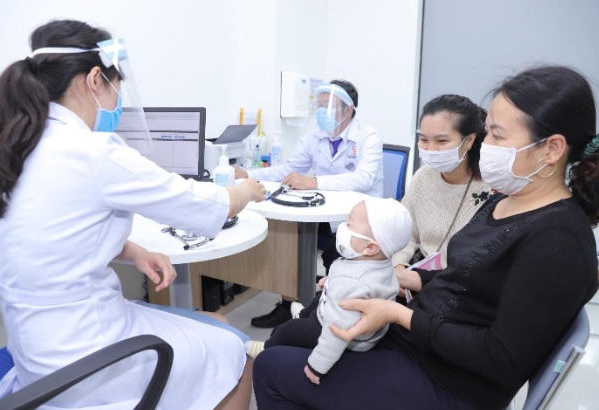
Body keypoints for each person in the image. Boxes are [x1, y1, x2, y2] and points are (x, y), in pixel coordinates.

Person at [252, 65, 599, 410]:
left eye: (497, 136)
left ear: (552, 149)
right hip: (423, 342)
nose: (486, 146)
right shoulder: (505, 201)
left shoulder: (558, 241)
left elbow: (500, 356)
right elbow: (466, 278)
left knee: (270, 368)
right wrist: (403, 277)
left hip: (450, 383)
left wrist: (397, 314)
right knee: (294, 336)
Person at [0, 20, 266, 409]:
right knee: (236, 351)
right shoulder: (91, 151)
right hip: (85, 362)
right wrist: (246, 190)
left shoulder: (18, 146)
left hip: (37, 354)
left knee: (216, 325)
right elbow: (203, 205)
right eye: (116, 86)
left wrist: (133, 251)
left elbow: (59, 238)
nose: (118, 99)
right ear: (94, 80)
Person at [236, 80, 384, 328]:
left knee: (336, 255)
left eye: (329, 106)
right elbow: (289, 169)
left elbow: (364, 178)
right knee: (288, 240)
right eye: (320, 106)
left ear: (348, 110)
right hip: (323, 212)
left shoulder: (368, 137)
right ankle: (288, 305)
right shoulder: (315, 136)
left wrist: (314, 182)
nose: (322, 112)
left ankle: (331, 309)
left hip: (359, 219)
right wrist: (249, 175)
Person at [246, 198, 411, 386]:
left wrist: (318, 365)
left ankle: (266, 347)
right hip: (349, 318)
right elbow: (358, 282)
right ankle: (303, 314)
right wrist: (333, 281)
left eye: (349, 225)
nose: (342, 227)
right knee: (317, 300)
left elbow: (337, 332)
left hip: (340, 335)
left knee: (287, 330)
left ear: (371, 247)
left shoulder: (351, 283)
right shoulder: (378, 264)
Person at [393, 94, 492, 272]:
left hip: (463, 280)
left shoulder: (491, 187)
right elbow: (407, 234)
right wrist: (399, 265)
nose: (431, 149)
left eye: (441, 141)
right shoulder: (423, 177)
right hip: (419, 273)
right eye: (424, 139)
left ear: (469, 141)